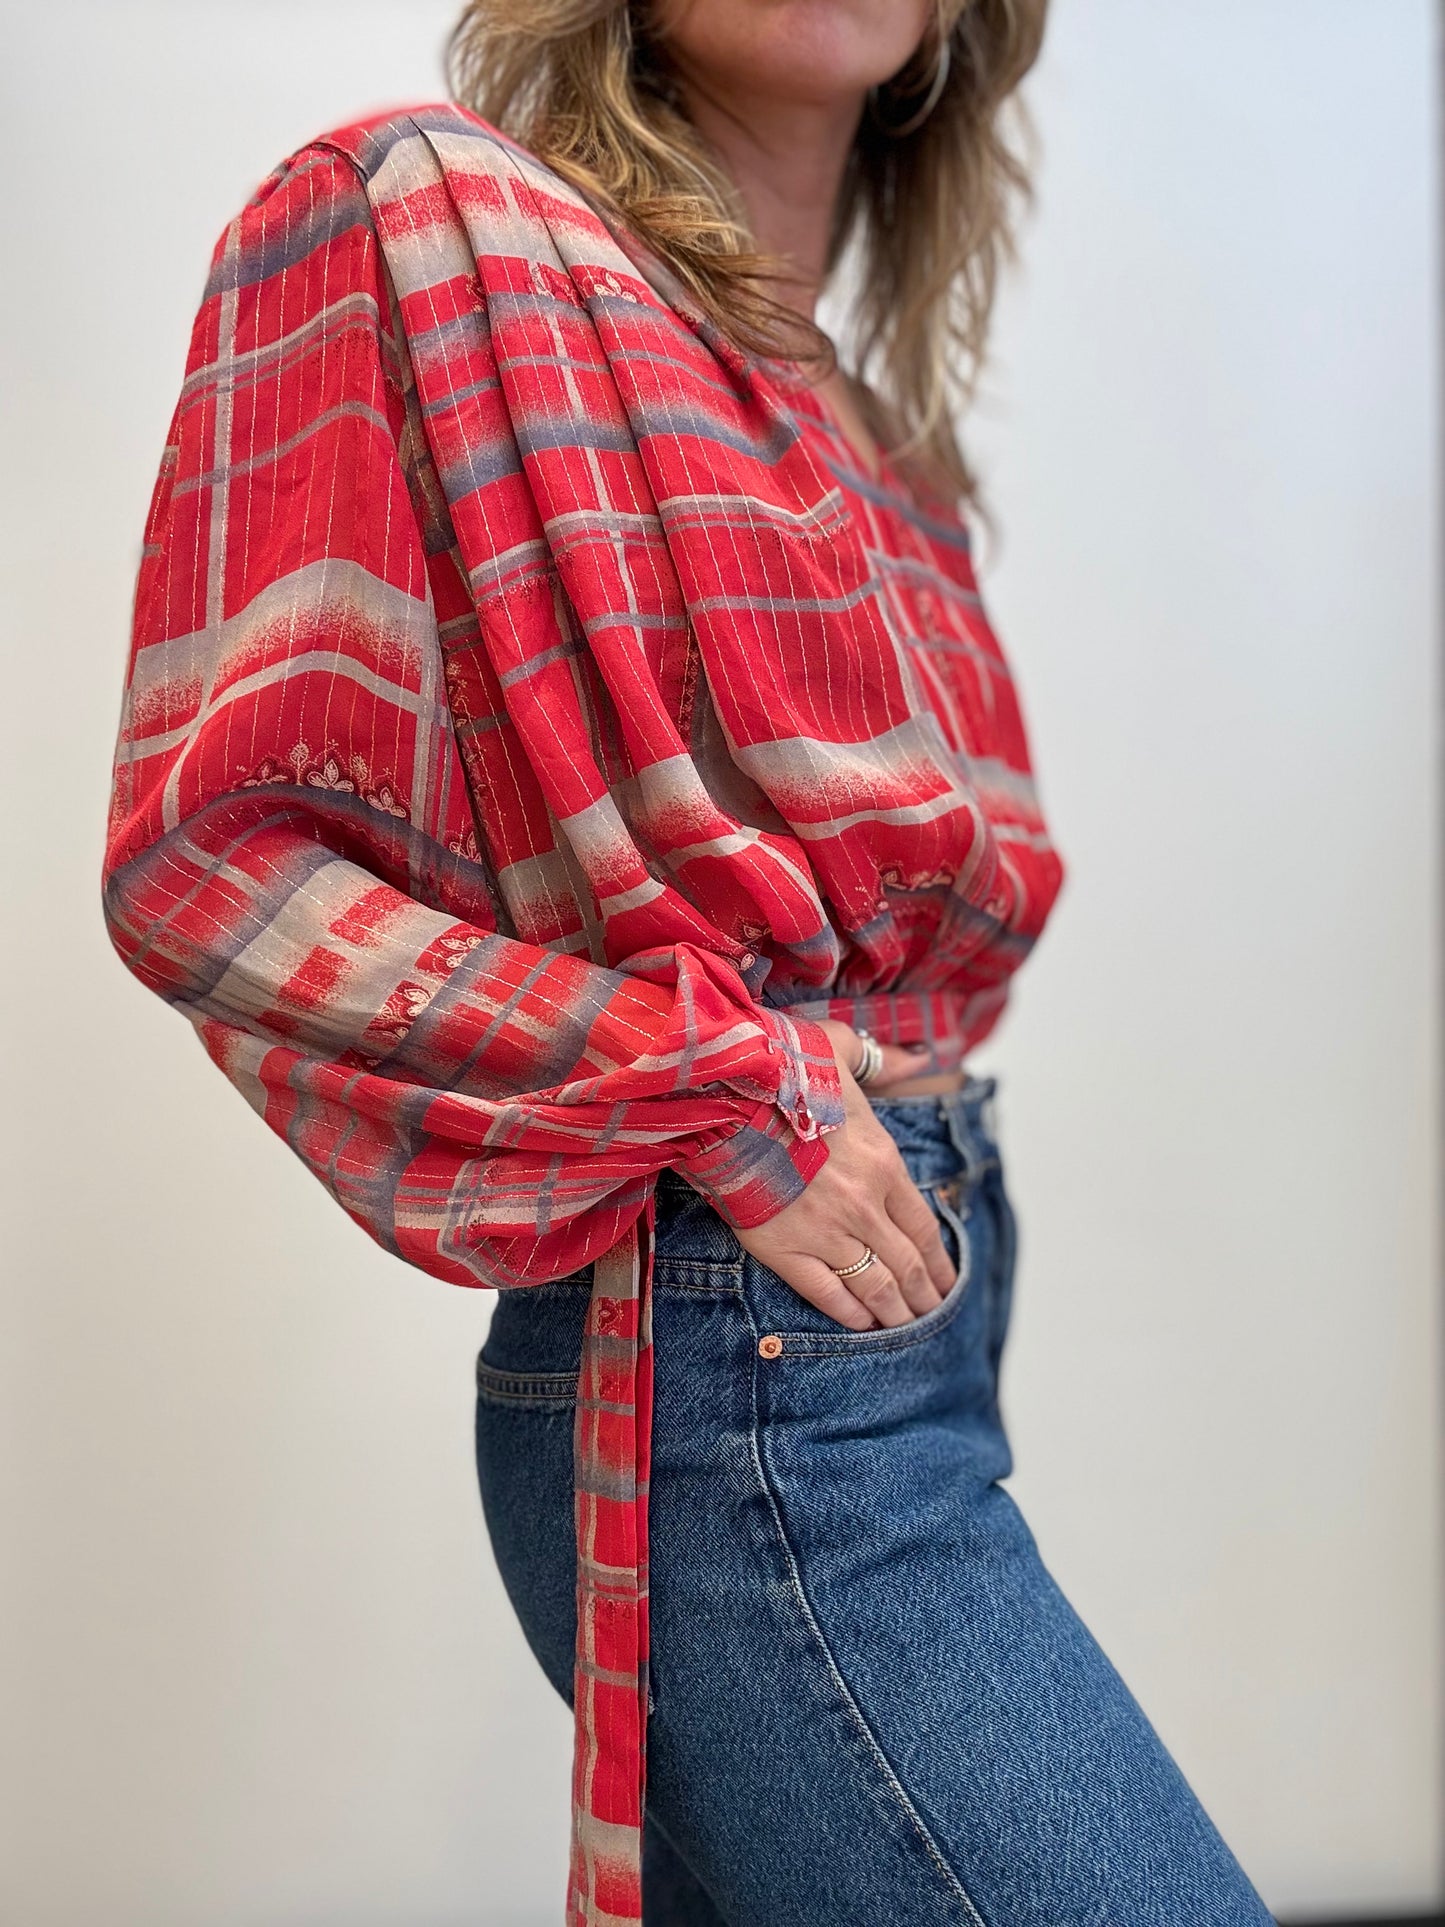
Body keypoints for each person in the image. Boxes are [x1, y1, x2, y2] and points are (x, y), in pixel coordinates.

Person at [101, 2, 1275, 1921]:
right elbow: (205, 863)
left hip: (915, 1342)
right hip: (732, 1365)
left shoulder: (883, 441)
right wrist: (731, 1085)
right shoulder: (409, 219)